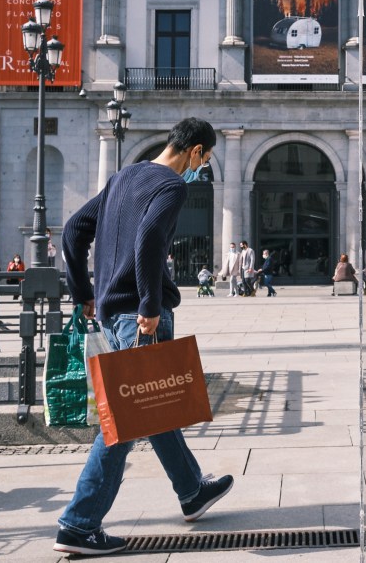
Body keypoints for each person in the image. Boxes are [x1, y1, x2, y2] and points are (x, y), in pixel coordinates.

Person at [54, 117, 233, 556]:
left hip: (111, 312)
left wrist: (84, 293)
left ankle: (192, 490)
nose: (202, 168)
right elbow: (150, 238)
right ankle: (78, 524)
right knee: (126, 418)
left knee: (152, 401)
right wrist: (150, 306)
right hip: (140, 316)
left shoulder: (123, 177)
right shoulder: (171, 186)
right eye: (205, 159)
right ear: (194, 150)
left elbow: (73, 230)